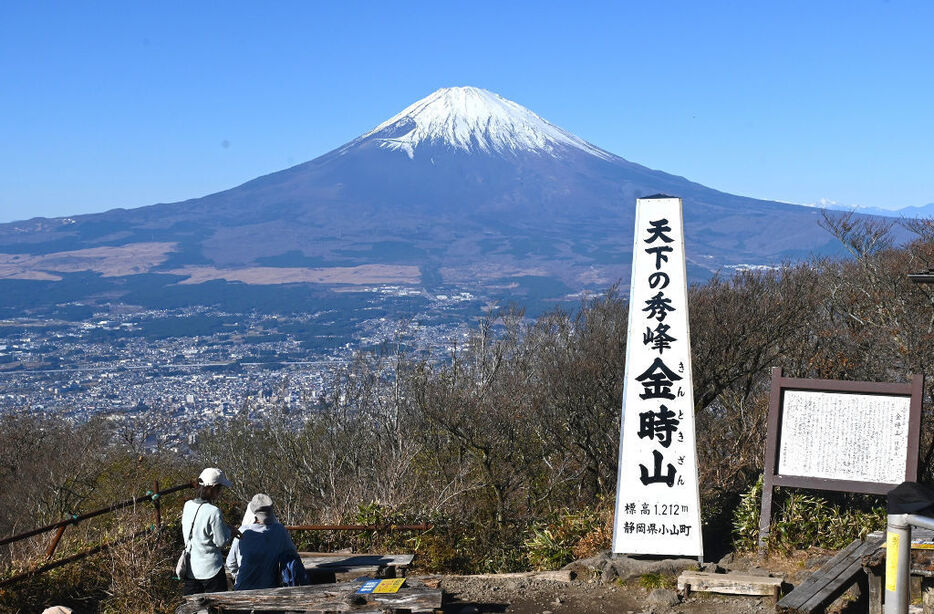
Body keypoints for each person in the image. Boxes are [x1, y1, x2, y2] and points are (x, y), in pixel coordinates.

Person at [225, 493, 299, 590]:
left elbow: (230, 562)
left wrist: (237, 575)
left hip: (243, 587)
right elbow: (293, 554)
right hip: (269, 588)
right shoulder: (279, 531)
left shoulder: (243, 531)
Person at [181, 467, 234, 595]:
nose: (220, 492)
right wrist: (230, 531)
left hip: (192, 567)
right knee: (217, 607)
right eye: (220, 488)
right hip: (211, 569)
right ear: (214, 488)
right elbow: (220, 542)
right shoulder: (213, 511)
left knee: (192, 607)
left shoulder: (188, 505)